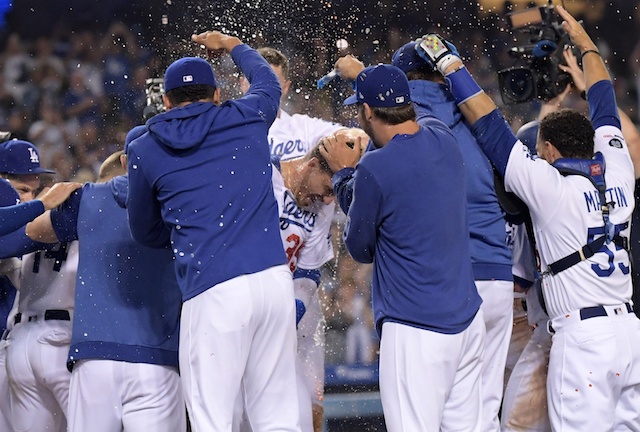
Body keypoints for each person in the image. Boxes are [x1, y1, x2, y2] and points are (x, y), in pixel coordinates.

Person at [418, 5, 640, 430]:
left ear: (552, 151)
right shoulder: (618, 167)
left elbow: (489, 126)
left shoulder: (551, 190)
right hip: (629, 334)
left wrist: (449, 63)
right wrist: (587, 45)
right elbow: (605, 101)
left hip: (583, 341)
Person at [126, 31, 300, 431]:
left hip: (213, 289)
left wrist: (184, 233)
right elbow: (267, 81)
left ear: (166, 101)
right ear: (217, 94)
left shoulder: (145, 148)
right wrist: (233, 44)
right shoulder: (247, 116)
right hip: (274, 282)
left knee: (212, 422)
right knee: (277, 419)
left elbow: (144, 231)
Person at [320, 64, 485, 431]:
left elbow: (360, 249)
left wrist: (343, 174)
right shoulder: (443, 136)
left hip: (417, 329)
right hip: (467, 323)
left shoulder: (375, 168)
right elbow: (418, 118)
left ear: (366, 112)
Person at [18, 125, 185, 432]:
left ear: (125, 161)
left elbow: (33, 231)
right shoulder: (183, 202)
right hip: (156, 358)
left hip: (94, 358)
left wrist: (60, 203)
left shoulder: (89, 197)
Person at [389, 40, 513, 432]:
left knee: (437, 414)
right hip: (500, 278)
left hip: (452, 281)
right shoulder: (481, 116)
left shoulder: (410, 123)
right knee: (484, 410)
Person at [239, 47, 349, 432]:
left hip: (296, 284)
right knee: (242, 403)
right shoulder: (230, 128)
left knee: (309, 402)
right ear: (241, 82)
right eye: (255, 79)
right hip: (247, 284)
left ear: (284, 86)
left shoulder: (304, 130)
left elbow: (352, 141)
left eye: (273, 80)